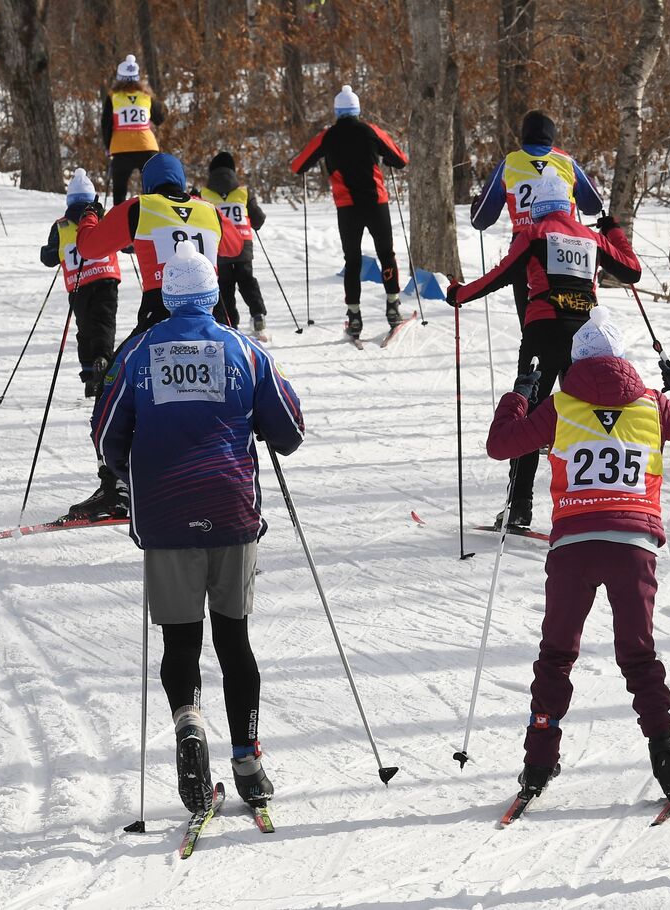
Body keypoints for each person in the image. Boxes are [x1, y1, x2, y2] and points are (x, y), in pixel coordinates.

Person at [92, 240, 305, 813]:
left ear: (165, 295)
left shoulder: (138, 353)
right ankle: (248, 760)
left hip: (164, 514)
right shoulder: (243, 350)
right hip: (232, 512)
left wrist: (132, 464)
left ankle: (188, 721)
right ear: (213, 295)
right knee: (233, 638)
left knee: (180, 640)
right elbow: (290, 428)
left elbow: (107, 436)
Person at [485, 307, 670, 802]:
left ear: (576, 360)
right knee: (638, 656)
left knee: (555, 657)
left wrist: (520, 395)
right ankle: (667, 763)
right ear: (621, 358)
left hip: (573, 544)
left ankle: (537, 764)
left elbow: (500, 445)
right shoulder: (651, 405)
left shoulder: (560, 407)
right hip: (633, 546)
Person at [453, 170, 642, 529]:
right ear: (568, 206)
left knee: (528, 417)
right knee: (591, 416)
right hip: (586, 339)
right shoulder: (591, 237)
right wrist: (613, 230)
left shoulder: (533, 234)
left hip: (542, 334)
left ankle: (519, 506)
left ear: (539, 207)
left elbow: (500, 275)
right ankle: (597, 502)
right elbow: (631, 271)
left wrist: (459, 295)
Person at [76, 152, 244, 339]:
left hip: (161, 308)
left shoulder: (139, 207)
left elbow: (89, 248)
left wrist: (89, 215)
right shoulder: (209, 209)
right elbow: (236, 247)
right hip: (212, 308)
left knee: (122, 367)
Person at [290, 84, 408, 339]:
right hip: (377, 204)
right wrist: (386, 158)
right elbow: (401, 160)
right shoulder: (371, 131)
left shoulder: (327, 136)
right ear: (357, 110)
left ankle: (354, 316)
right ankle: (393, 307)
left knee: (352, 261)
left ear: (337, 111)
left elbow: (298, 165)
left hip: (348, 209)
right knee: (386, 254)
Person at [469, 110, 604, 323]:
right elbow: (593, 205)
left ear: (524, 134)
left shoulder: (510, 163)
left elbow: (482, 220)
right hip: (566, 244)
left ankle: (535, 353)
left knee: (532, 322)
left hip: (525, 248)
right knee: (576, 319)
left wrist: (475, 206)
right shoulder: (565, 161)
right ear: (552, 134)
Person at [39, 168, 120, 398]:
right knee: (104, 322)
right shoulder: (101, 218)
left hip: (78, 283)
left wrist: (49, 252)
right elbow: (123, 240)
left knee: (84, 329)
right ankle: (103, 359)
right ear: (93, 199)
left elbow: (49, 258)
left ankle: (88, 375)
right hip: (106, 277)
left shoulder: (61, 225)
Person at [200, 151, 269, 338]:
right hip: (243, 245)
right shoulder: (243, 192)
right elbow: (259, 219)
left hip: (219, 247)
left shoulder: (203, 194)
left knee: (224, 285)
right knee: (247, 281)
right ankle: (258, 315)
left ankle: (230, 324)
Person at [101, 54, 168, 206]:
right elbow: (159, 119)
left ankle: (119, 221)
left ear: (119, 78)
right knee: (152, 187)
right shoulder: (145, 95)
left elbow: (106, 124)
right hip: (147, 147)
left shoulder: (113, 97)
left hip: (121, 149)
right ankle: (153, 215)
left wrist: (108, 146)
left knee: (119, 191)